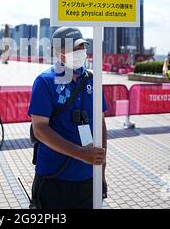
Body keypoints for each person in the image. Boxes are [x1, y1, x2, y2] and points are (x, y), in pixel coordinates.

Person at [28, 27, 107, 209]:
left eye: (82, 47)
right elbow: (40, 129)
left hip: (88, 177)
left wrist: (101, 168)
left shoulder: (92, 80)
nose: (80, 52)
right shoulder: (45, 81)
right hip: (53, 176)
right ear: (58, 52)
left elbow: (100, 123)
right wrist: (81, 154)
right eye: (74, 48)